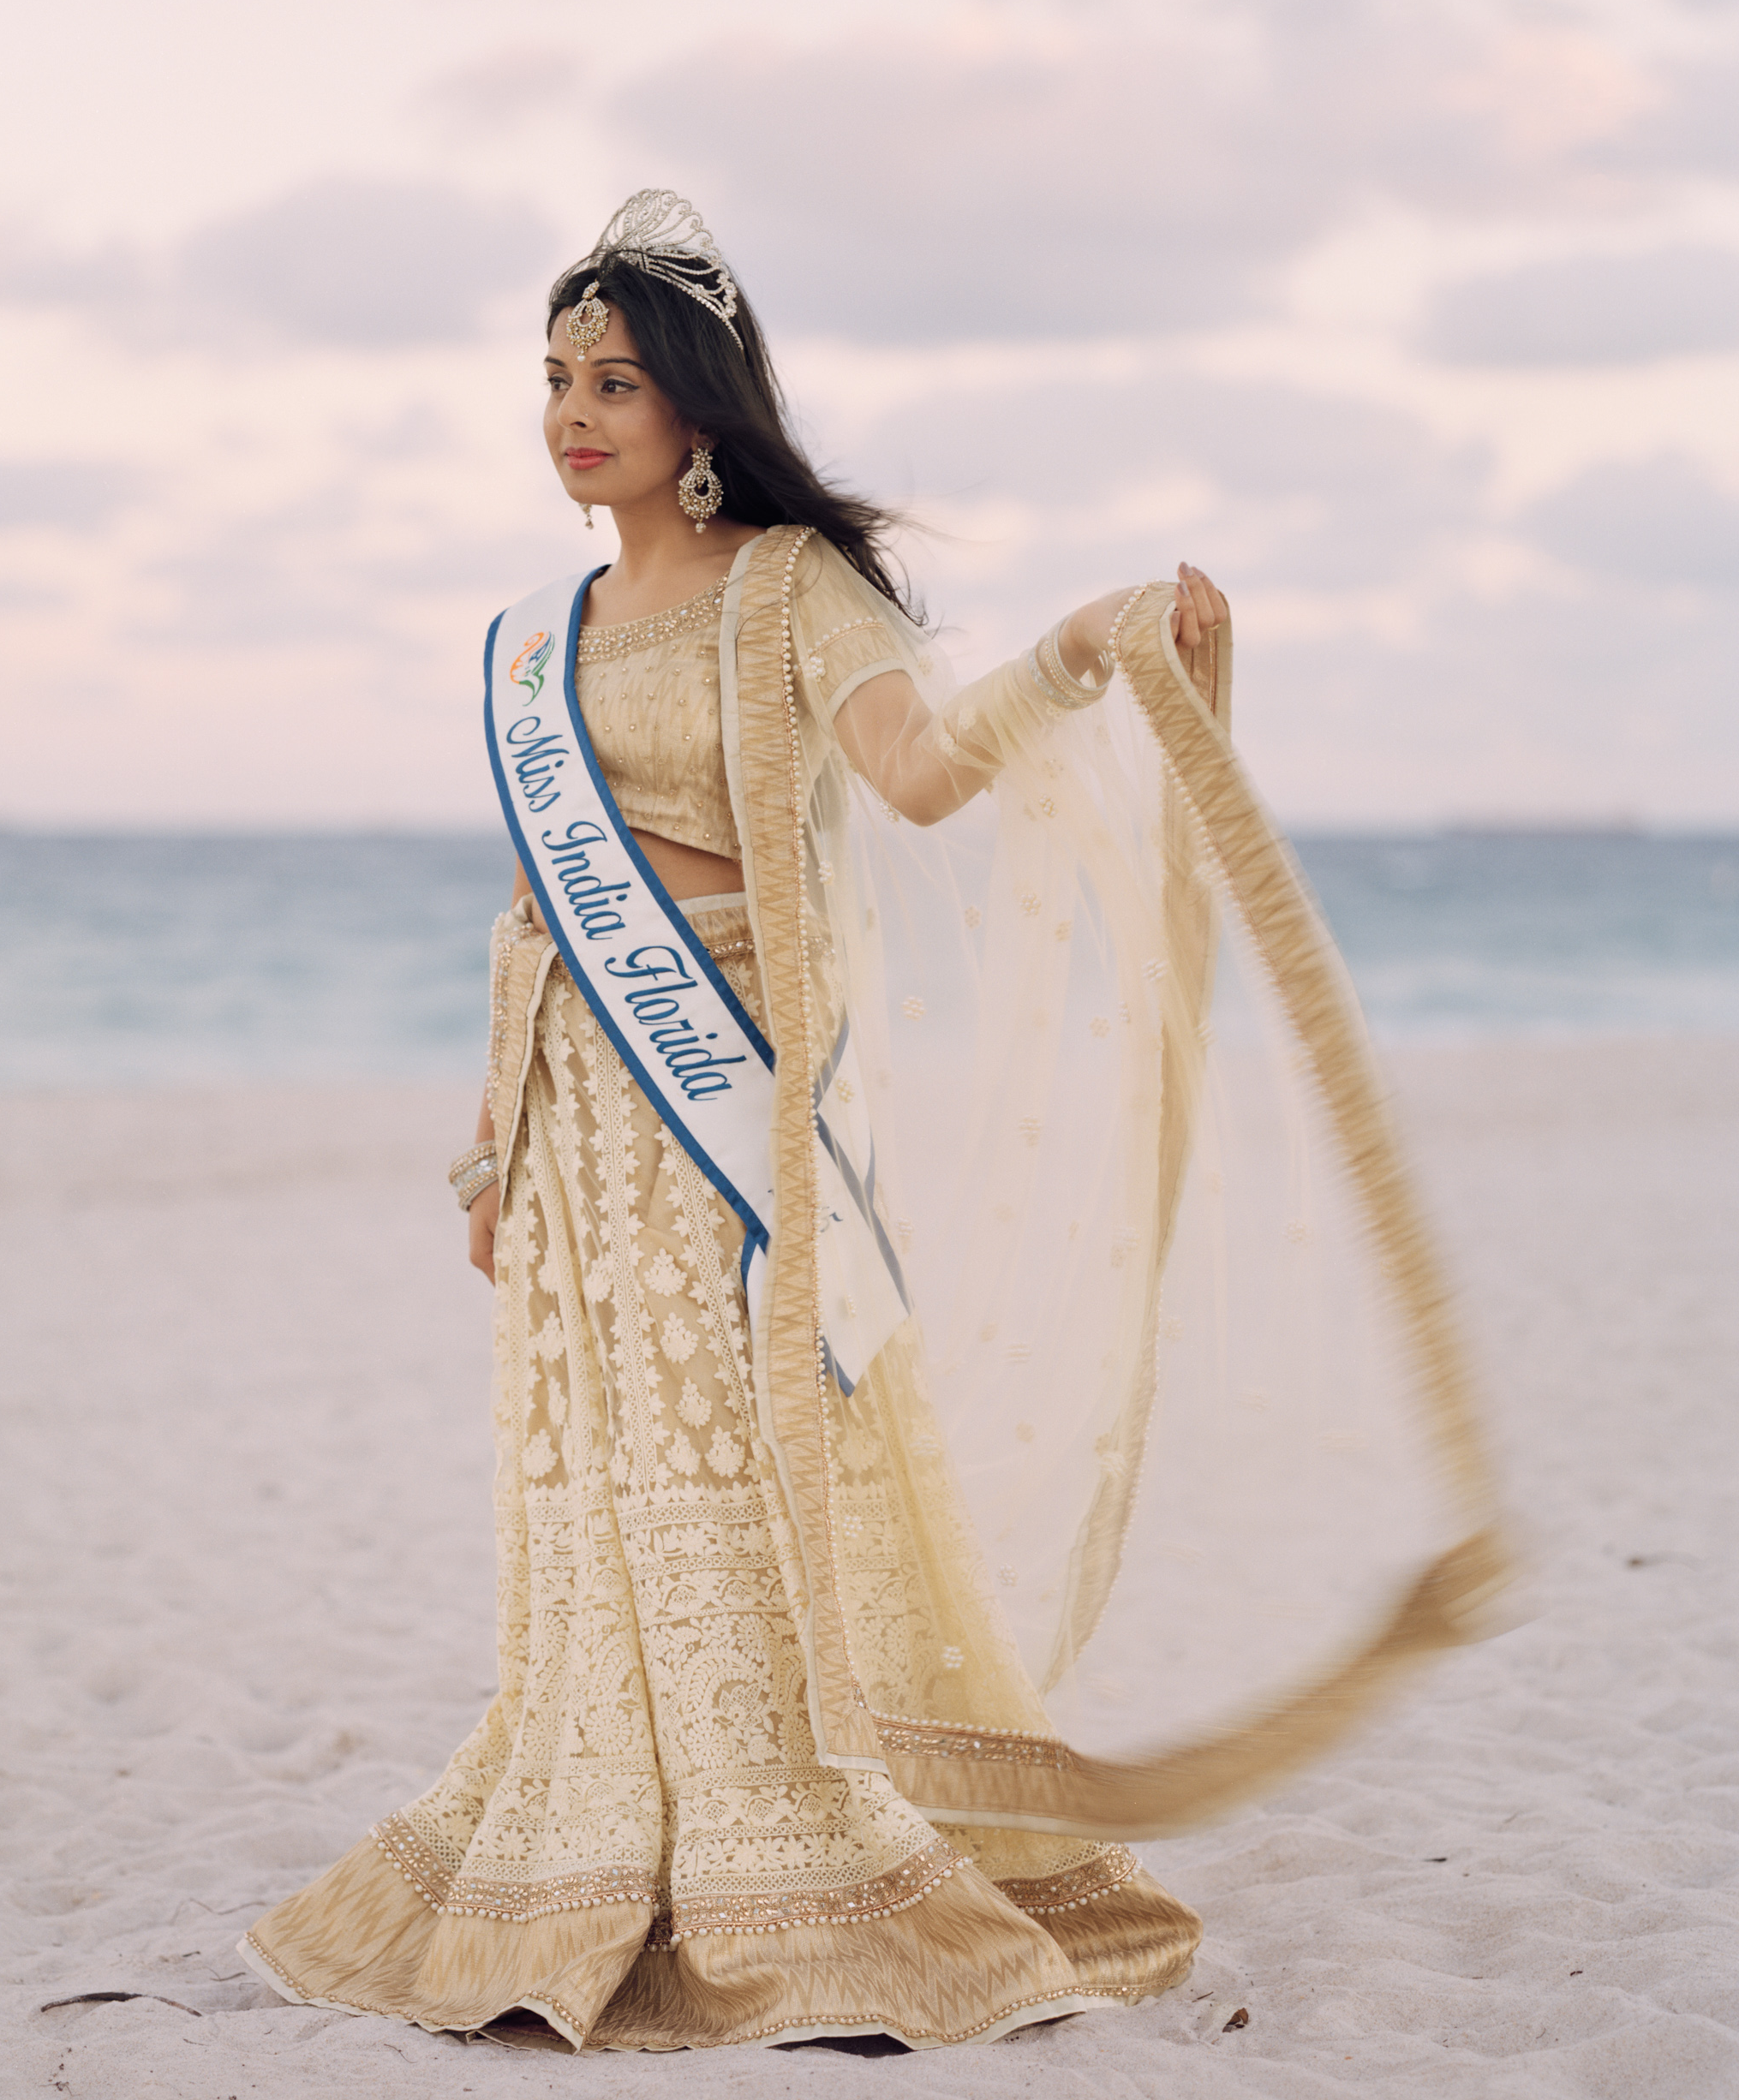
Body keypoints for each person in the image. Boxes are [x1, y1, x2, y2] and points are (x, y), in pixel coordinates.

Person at [241, 194, 1509, 2053]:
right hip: (574, 1107)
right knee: (599, 1474)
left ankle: (789, 1847)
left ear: (697, 413)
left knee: (750, 1456)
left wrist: (1082, 651)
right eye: (553, 380)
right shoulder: (544, 633)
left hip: (721, 1090)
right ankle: (621, 1835)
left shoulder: (787, 588)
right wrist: (488, 1151)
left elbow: (917, 776)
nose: (573, 413)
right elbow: (534, 906)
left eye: (613, 381)